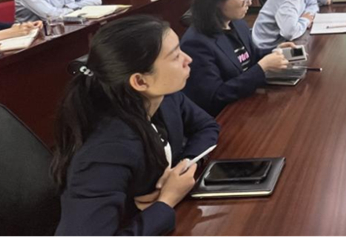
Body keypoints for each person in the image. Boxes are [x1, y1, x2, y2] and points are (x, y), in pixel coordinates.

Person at [52, 15, 220, 236]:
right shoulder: (106, 151)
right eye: (175, 56)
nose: (188, 59)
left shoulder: (163, 95)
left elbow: (207, 127)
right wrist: (167, 200)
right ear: (140, 81)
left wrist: (182, 169)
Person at [181, 0, 293, 116]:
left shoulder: (237, 23)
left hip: (246, 102)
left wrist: (275, 51)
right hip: (224, 115)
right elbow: (216, 96)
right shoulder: (197, 43)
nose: (249, 3)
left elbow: (250, 56)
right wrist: (262, 67)